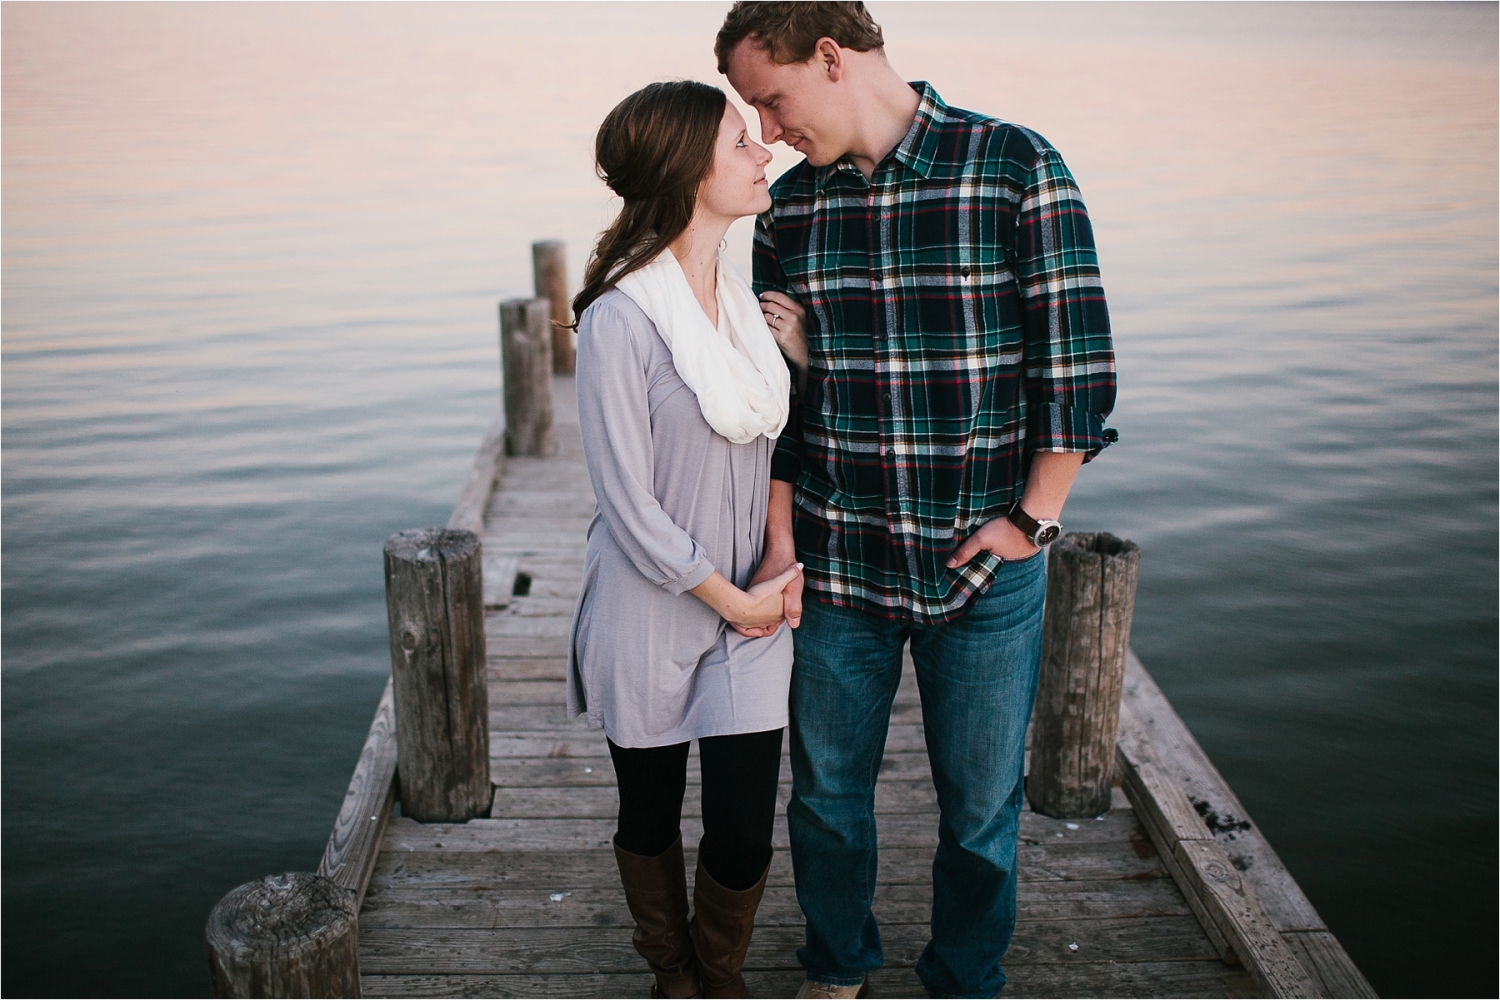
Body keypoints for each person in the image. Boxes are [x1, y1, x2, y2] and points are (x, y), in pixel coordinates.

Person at [715, 3, 1119, 997]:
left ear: (829, 57)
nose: (766, 132)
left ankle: (965, 975)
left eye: (770, 101)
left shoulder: (1014, 167)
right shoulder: (794, 212)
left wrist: (1029, 521)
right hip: (840, 556)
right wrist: (778, 531)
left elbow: (1077, 372)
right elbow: (788, 409)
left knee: (981, 804)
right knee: (825, 795)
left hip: (981, 567)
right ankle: (838, 961)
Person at [565, 80, 808, 999]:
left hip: (753, 596)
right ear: (685, 169)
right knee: (651, 811)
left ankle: (721, 971)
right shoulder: (620, 319)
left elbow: (773, 441)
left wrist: (775, 563)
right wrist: (730, 596)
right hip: (653, 605)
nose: (764, 152)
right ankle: (672, 971)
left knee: (745, 826)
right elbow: (628, 506)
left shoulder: (748, 307)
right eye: (741, 143)